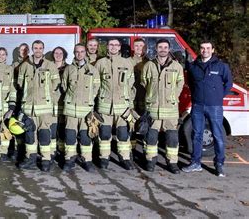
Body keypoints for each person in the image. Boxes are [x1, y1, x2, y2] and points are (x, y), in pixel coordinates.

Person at [183, 41, 233, 177]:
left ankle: (219, 164)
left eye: (208, 48)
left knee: (217, 136)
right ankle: (195, 163)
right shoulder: (194, 66)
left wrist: (218, 96)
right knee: (196, 135)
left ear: (213, 50)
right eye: (202, 48)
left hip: (214, 106)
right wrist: (196, 97)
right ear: (199, 50)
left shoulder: (221, 66)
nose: (205, 50)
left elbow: (229, 83)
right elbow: (191, 84)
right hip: (198, 106)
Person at [141, 39, 184, 174]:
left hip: (170, 109)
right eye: (160, 47)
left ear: (169, 49)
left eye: (165, 47)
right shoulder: (149, 65)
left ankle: (172, 163)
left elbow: (180, 83)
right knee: (151, 138)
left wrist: (173, 96)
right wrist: (151, 96)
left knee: (172, 138)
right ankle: (150, 161)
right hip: (153, 108)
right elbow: (144, 82)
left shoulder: (176, 66)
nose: (163, 49)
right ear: (156, 49)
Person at [17, 40, 60, 171]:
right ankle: (31, 158)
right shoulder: (25, 66)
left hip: (45, 107)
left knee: (44, 133)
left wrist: (44, 95)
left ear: (43, 49)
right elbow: (19, 84)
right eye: (35, 48)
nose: (38, 50)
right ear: (32, 49)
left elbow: (56, 83)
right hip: (29, 106)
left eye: (40, 48)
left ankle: (46, 159)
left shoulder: (50, 65)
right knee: (30, 133)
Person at [95, 39, 135, 170]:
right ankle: (104, 158)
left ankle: (125, 158)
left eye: (116, 45)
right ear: (107, 46)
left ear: (119, 48)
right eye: (111, 44)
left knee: (123, 135)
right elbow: (95, 84)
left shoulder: (127, 63)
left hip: (122, 107)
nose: (113, 47)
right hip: (105, 105)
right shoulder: (100, 63)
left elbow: (131, 85)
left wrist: (130, 104)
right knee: (104, 134)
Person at [61, 44, 100, 172]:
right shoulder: (68, 69)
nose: (79, 54)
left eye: (82, 51)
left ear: (85, 53)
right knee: (70, 136)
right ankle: (69, 159)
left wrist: (88, 100)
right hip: (71, 109)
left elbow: (96, 88)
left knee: (85, 136)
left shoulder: (93, 70)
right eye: (77, 52)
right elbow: (64, 86)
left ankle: (87, 160)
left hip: (86, 110)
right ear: (74, 53)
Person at [0, 47, 17, 161]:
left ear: (6, 56)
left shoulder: (10, 69)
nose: (1, 56)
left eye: (3, 54)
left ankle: (4, 151)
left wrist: (11, 107)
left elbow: (13, 88)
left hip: (5, 105)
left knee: (5, 129)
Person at [51, 46, 68, 159]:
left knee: (62, 127)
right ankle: (51, 151)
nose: (58, 55)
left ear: (64, 55)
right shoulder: (48, 67)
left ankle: (61, 150)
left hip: (63, 101)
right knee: (52, 127)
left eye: (60, 53)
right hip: (51, 101)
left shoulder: (68, 68)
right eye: (56, 53)